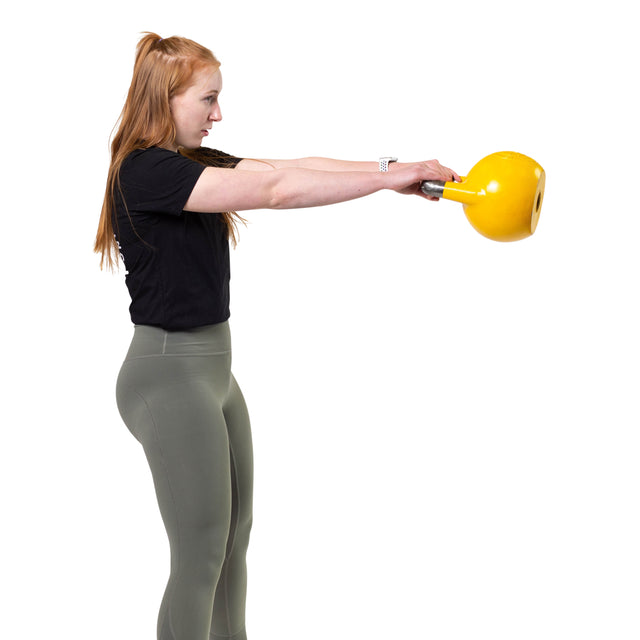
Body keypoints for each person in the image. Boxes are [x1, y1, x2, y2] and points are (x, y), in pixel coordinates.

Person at [94, 32, 460, 640]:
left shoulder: (193, 163)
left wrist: (395, 171)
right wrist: (385, 180)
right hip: (168, 377)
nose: (218, 115)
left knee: (233, 541)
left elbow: (288, 168)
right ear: (166, 97)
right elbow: (274, 190)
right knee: (200, 552)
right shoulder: (146, 170)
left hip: (214, 375)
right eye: (207, 100)